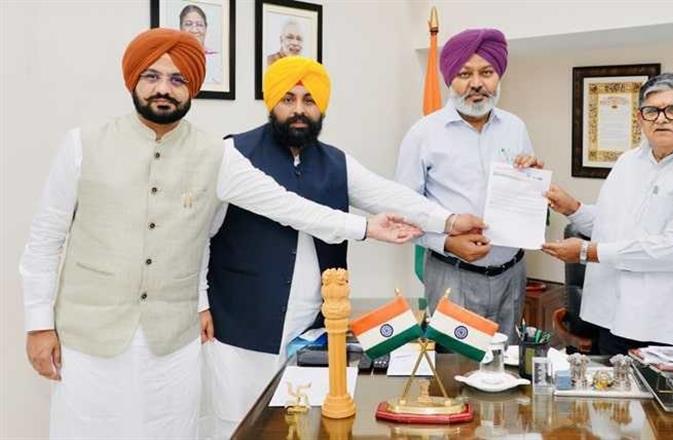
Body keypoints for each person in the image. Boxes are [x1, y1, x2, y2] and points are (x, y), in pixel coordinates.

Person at [19, 28, 425, 439]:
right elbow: (45, 241)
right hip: (88, 339)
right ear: (133, 81)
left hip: (172, 344)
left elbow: (285, 206)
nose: (164, 89)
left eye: (177, 79)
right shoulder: (82, 145)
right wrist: (38, 325)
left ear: (192, 87)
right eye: (152, 76)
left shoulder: (216, 154)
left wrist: (365, 226)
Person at [200, 56, 485, 437]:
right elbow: (201, 236)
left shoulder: (335, 162)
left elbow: (388, 195)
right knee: (238, 426)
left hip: (311, 328)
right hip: (240, 327)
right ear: (271, 102)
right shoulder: (235, 153)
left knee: (304, 424)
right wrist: (200, 302)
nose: (299, 110)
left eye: (309, 100)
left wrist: (448, 220)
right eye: (288, 99)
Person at [543, 73, 673, 354]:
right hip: (617, 321)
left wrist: (588, 252)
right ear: (640, 118)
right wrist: (573, 208)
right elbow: (613, 225)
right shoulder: (628, 162)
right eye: (652, 111)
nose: (661, 119)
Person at [395, 28, 542, 341]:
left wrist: (534, 180)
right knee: (455, 365)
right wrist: (447, 243)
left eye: (486, 72)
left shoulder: (515, 127)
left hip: (512, 275)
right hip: (452, 274)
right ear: (450, 79)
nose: (476, 83)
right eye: (465, 74)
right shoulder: (423, 134)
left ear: (498, 76)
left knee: (507, 363)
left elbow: (530, 194)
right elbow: (402, 214)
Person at [179, 4, 222, 85]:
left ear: (205, 28)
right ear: (181, 28)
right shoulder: (172, 57)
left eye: (199, 25)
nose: (194, 30)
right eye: (188, 24)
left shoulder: (218, 59)